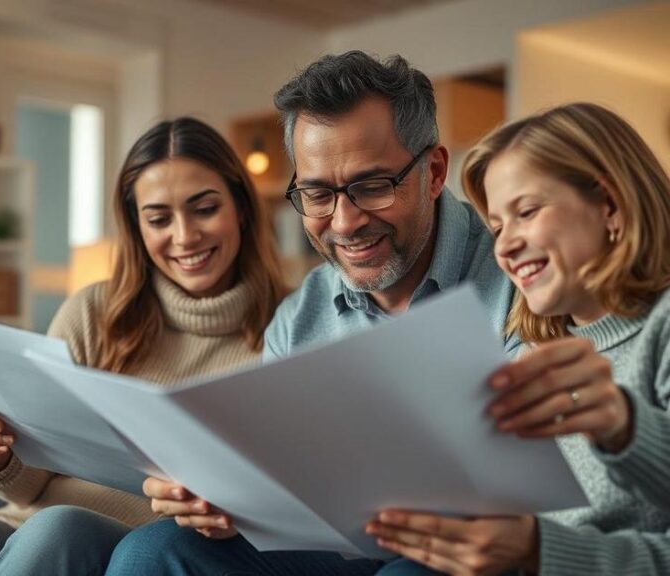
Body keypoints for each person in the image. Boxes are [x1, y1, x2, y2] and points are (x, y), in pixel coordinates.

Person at [104, 50, 516, 576]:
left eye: (372, 186)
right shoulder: (300, 317)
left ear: (434, 172)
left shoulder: (520, 281)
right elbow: (283, 485)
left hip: (474, 548)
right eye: (318, 194)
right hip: (343, 550)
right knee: (153, 550)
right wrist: (228, 500)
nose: (344, 223)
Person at [0, 116, 287, 576]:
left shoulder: (289, 331)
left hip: (139, 554)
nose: (184, 236)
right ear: (137, 228)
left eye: (204, 209)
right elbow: (32, 484)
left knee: (61, 527)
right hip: (18, 538)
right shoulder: (95, 312)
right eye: (159, 218)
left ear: (241, 208)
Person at [366, 102, 670, 575]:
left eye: (526, 212)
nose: (503, 247)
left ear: (608, 205)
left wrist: (622, 423)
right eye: (498, 225)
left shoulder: (663, 327)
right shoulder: (534, 348)